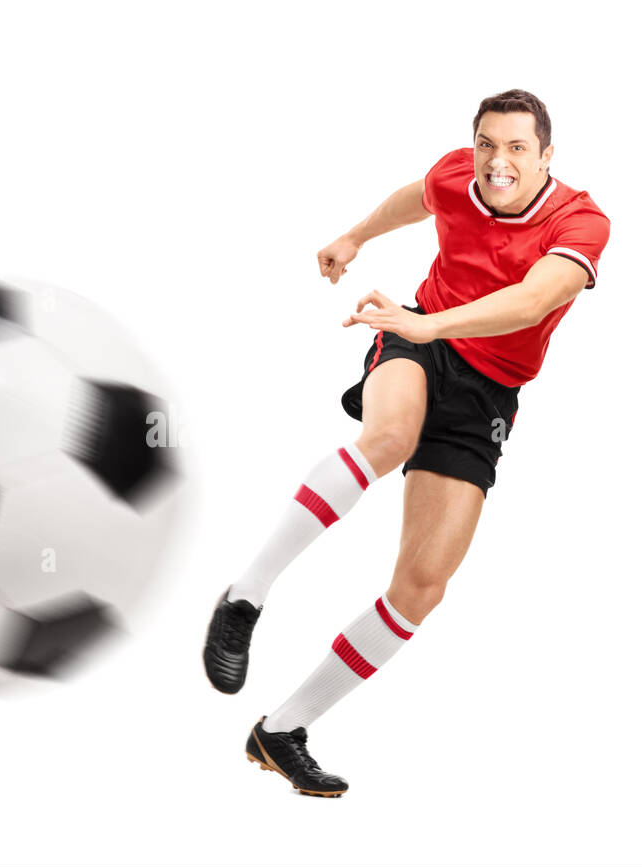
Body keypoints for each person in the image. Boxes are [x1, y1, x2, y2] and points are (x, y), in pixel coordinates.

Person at [203, 89, 612, 797]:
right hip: (418, 340)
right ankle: (246, 597)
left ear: (548, 156)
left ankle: (282, 731)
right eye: (487, 144)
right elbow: (418, 198)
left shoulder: (582, 221)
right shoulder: (460, 174)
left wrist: (434, 326)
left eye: (518, 147)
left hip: (487, 387)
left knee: (421, 587)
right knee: (389, 436)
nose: (498, 162)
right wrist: (355, 237)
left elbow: (535, 300)